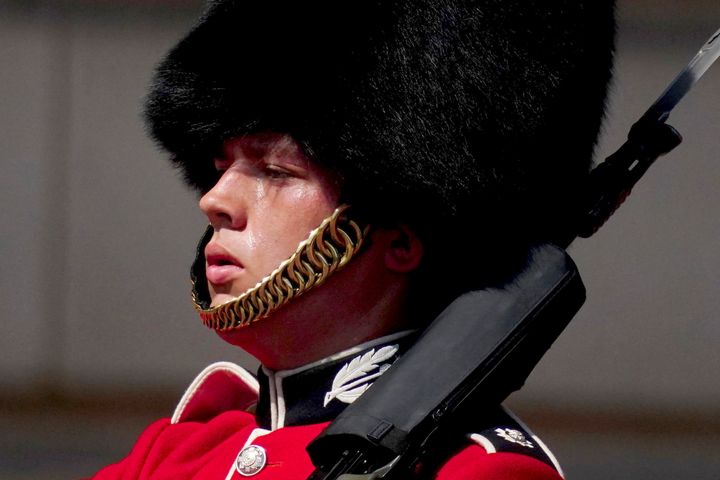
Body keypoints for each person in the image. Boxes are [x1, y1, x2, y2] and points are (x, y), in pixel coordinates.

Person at [91, 1, 615, 478]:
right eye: (221, 167)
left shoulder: (476, 470)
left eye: (274, 171)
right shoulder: (170, 455)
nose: (214, 200)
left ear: (400, 237)